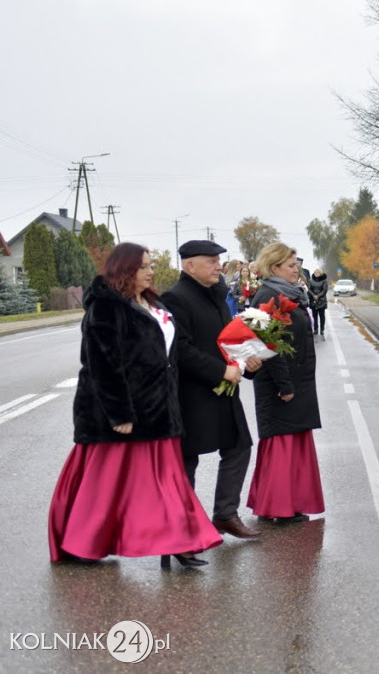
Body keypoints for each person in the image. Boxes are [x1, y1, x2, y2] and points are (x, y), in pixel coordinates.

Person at [48, 243, 222, 568]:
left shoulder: (152, 303)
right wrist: (120, 414)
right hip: (118, 414)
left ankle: (182, 542)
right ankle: (82, 543)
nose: (151, 271)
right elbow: (101, 365)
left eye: (151, 265)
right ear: (126, 270)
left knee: (168, 483)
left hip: (158, 409)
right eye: (144, 267)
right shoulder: (106, 307)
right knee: (104, 489)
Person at [161, 240, 263, 540]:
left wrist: (246, 359)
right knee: (187, 459)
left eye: (219, 260)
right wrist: (221, 371)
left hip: (224, 391)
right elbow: (180, 348)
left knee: (239, 446)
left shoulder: (217, 294)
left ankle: (225, 514)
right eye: (211, 261)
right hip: (192, 394)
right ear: (189, 265)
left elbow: (224, 340)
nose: (219, 266)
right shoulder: (176, 298)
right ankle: (183, 527)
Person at [247, 243, 325, 523]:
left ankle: (278, 504)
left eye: (296, 264)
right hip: (281, 385)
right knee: (282, 446)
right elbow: (268, 345)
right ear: (274, 268)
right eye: (291, 265)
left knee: (292, 444)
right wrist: (285, 385)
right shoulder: (268, 294)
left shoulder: (291, 293)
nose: (297, 269)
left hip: (296, 380)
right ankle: (280, 507)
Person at [308, 268, 328, 339]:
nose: (316, 274)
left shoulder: (324, 281)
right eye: (315, 273)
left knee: (322, 316)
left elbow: (325, 290)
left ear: (320, 273)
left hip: (321, 300)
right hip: (313, 300)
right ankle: (315, 329)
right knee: (314, 316)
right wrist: (313, 295)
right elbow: (309, 289)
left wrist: (318, 296)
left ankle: (322, 329)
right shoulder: (311, 280)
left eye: (318, 273)